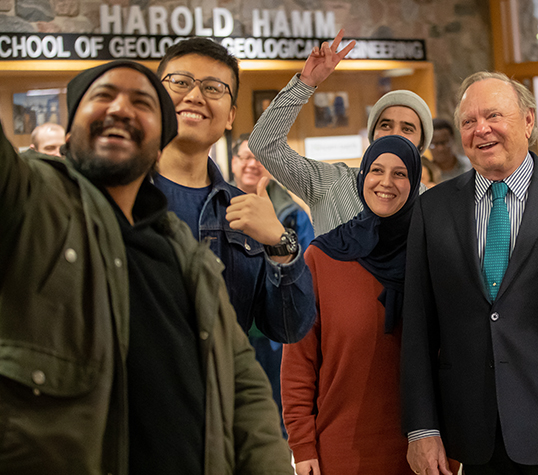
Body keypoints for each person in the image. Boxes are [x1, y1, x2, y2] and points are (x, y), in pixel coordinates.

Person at [0, 60, 293, 473]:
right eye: (103, 96)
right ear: (68, 135)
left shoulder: (186, 257)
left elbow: (243, 388)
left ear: (158, 147)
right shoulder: (29, 200)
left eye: (142, 103)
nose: (121, 108)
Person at [401, 71, 538, 475]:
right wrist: (421, 428)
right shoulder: (434, 209)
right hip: (471, 436)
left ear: (528, 122)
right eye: (468, 121)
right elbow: (418, 328)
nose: (481, 129)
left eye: (494, 115)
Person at [280, 135, 432, 475]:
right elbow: (299, 363)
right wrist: (302, 447)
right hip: (339, 450)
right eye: (376, 170)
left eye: (400, 173)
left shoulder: (431, 256)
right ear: (362, 176)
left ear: (416, 182)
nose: (386, 182)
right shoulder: (323, 256)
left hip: (423, 452)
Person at [153, 38, 316, 344]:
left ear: (230, 116)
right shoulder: (120, 196)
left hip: (224, 388)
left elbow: (289, 327)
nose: (194, 95)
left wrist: (279, 244)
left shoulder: (244, 210)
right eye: (180, 82)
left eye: (213, 87)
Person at [249, 30, 434, 235]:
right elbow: (263, 144)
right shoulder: (329, 183)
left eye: (407, 129)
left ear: (421, 144)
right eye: (385, 125)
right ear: (373, 135)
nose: (394, 134)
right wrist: (306, 84)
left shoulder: (431, 205)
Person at [230, 132, 315, 438]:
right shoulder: (218, 208)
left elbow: (307, 270)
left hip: (276, 335)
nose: (252, 164)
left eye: (259, 159)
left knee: (277, 419)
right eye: (245, 157)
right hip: (233, 331)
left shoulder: (291, 215)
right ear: (234, 163)